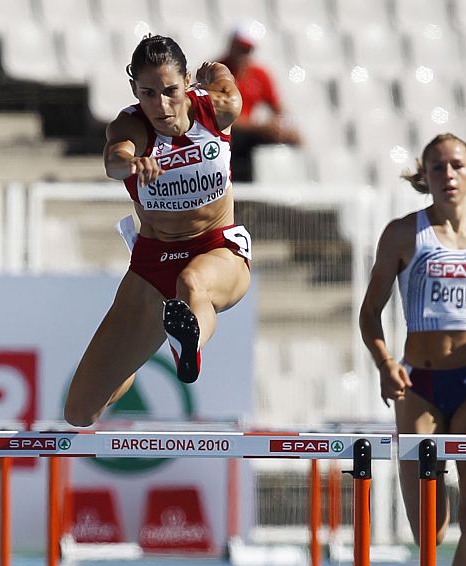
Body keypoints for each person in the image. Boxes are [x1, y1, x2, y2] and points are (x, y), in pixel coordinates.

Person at [359, 133, 466, 565]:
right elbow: (369, 313)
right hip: (418, 386)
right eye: (437, 167)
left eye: (457, 165)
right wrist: (384, 363)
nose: (448, 174)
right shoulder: (403, 234)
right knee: (429, 531)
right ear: (426, 176)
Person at [63, 35, 251, 427]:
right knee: (80, 412)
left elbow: (224, 76)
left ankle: (188, 346)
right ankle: (139, 358)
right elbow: (114, 160)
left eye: (170, 91)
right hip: (153, 264)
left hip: (217, 250)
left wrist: (214, 70)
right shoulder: (131, 126)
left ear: (187, 85)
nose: (161, 106)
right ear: (134, 90)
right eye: (148, 94)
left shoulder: (220, 108)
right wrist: (131, 164)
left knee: (192, 281)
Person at [218, 22, 301, 182]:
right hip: (228, 131)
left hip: (248, 131)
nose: (244, 53)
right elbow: (218, 117)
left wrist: (285, 127)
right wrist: (260, 127)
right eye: (241, 47)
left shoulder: (259, 74)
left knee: (290, 137)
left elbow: (279, 109)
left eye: (248, 49)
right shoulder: (217, 72)